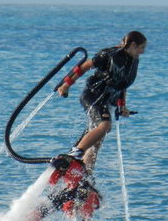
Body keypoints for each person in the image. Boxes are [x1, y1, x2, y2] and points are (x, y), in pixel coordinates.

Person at [57, 31, 147, 170]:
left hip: (106, 100)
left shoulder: (133, 60)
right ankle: (74, 154)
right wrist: (66, 85)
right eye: (142, 48)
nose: (143, 52)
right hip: (93, 95)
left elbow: (122, 84)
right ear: (133, 45)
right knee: (105, 126)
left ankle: (85, 176)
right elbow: (84, 67)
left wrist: (122, 106)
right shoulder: (110, 55)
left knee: (97, 140)